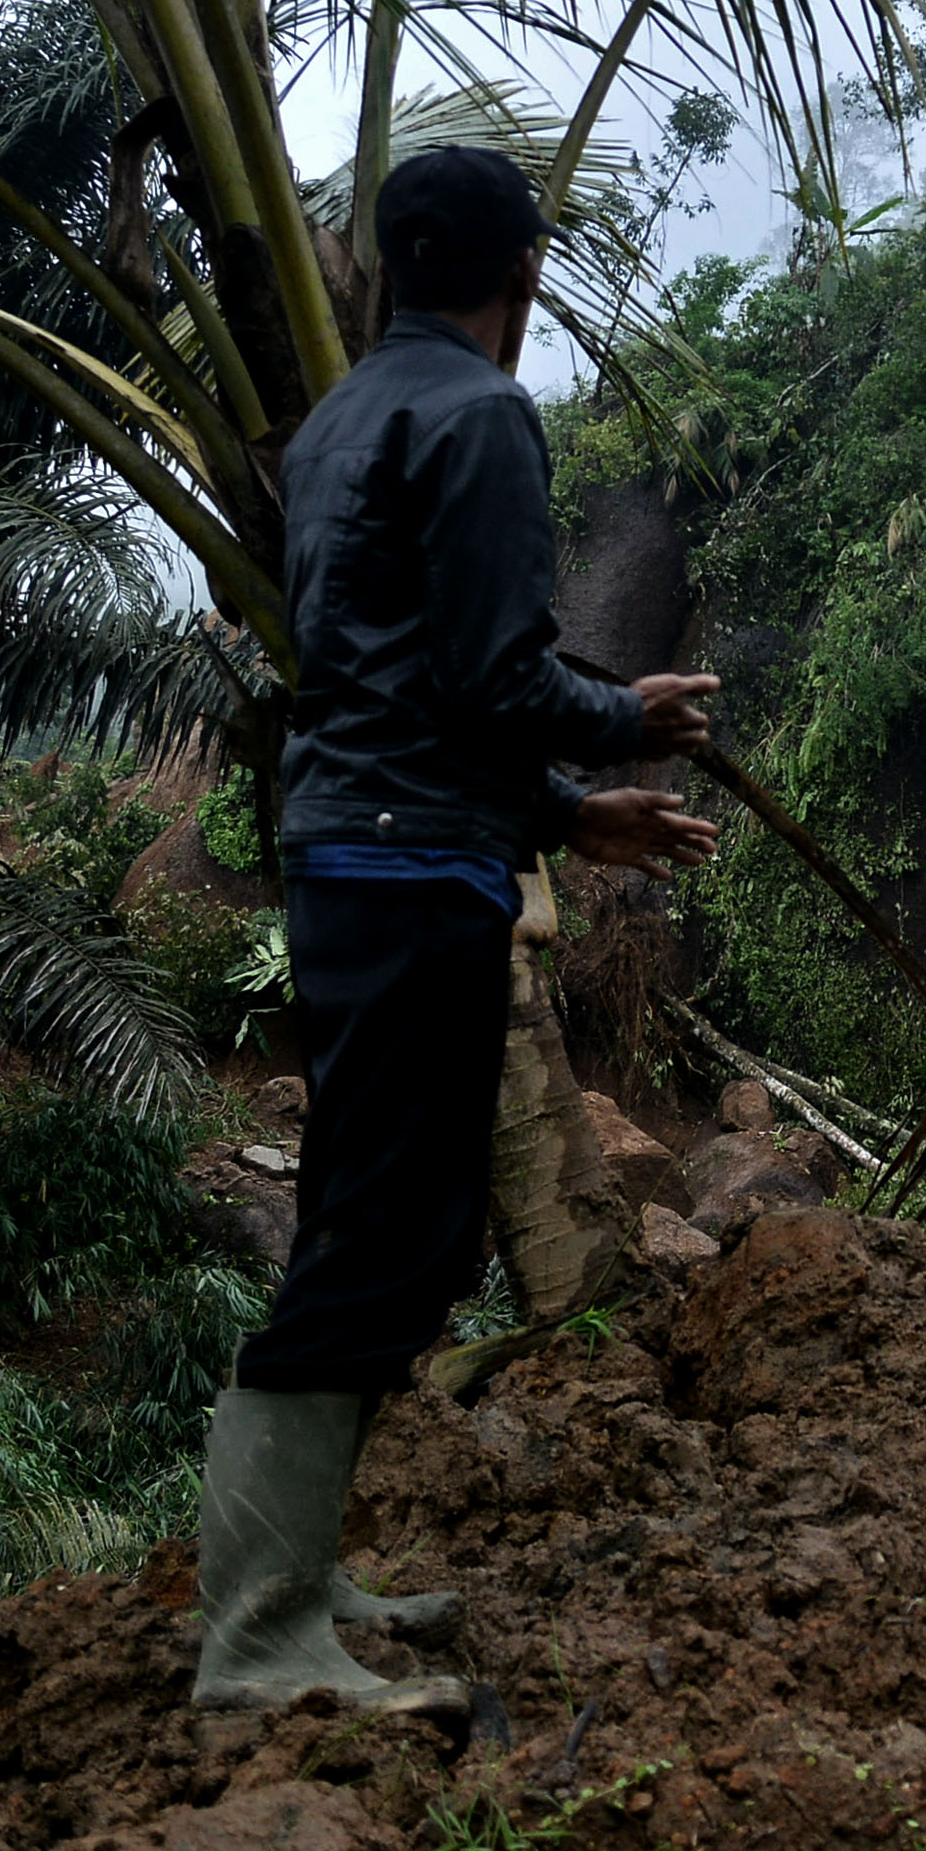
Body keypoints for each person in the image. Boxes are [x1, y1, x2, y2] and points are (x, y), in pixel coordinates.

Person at [192, 144, 719, 1714]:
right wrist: (622, 715)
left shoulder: (338, 422)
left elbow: (404, 687)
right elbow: (496, 681)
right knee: (393, 1240)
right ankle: (260, 1632)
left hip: (348, 852)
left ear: (391, 269)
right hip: (418, 873)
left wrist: (567, 814)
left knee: (373, 1216)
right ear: (523, 278)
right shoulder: (484, 415)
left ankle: (295, 1568)